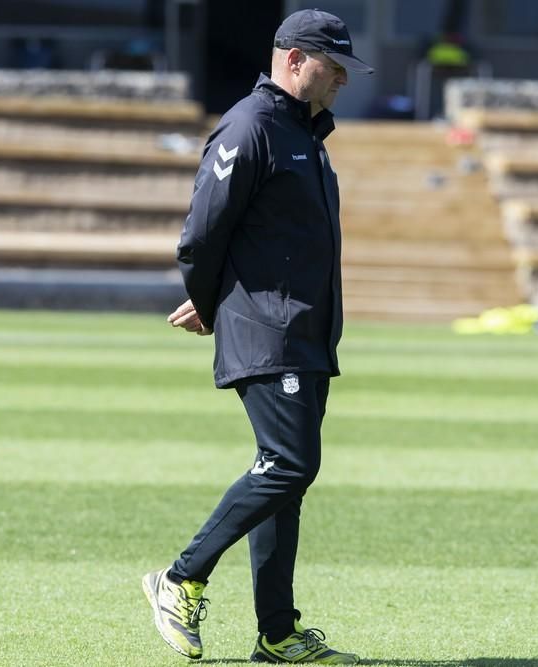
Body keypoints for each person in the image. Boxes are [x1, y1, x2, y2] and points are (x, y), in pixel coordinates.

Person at [142, 8, 373, 665]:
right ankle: (180, 577)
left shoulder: (304, 134)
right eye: (335, 68)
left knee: (285, 477)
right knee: (291, 463)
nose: (343, 82)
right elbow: (201, 233)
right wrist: (212, 301)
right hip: (267, 330)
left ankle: (276, 633)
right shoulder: (251, 125)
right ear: (295, 59)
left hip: (305, 334)